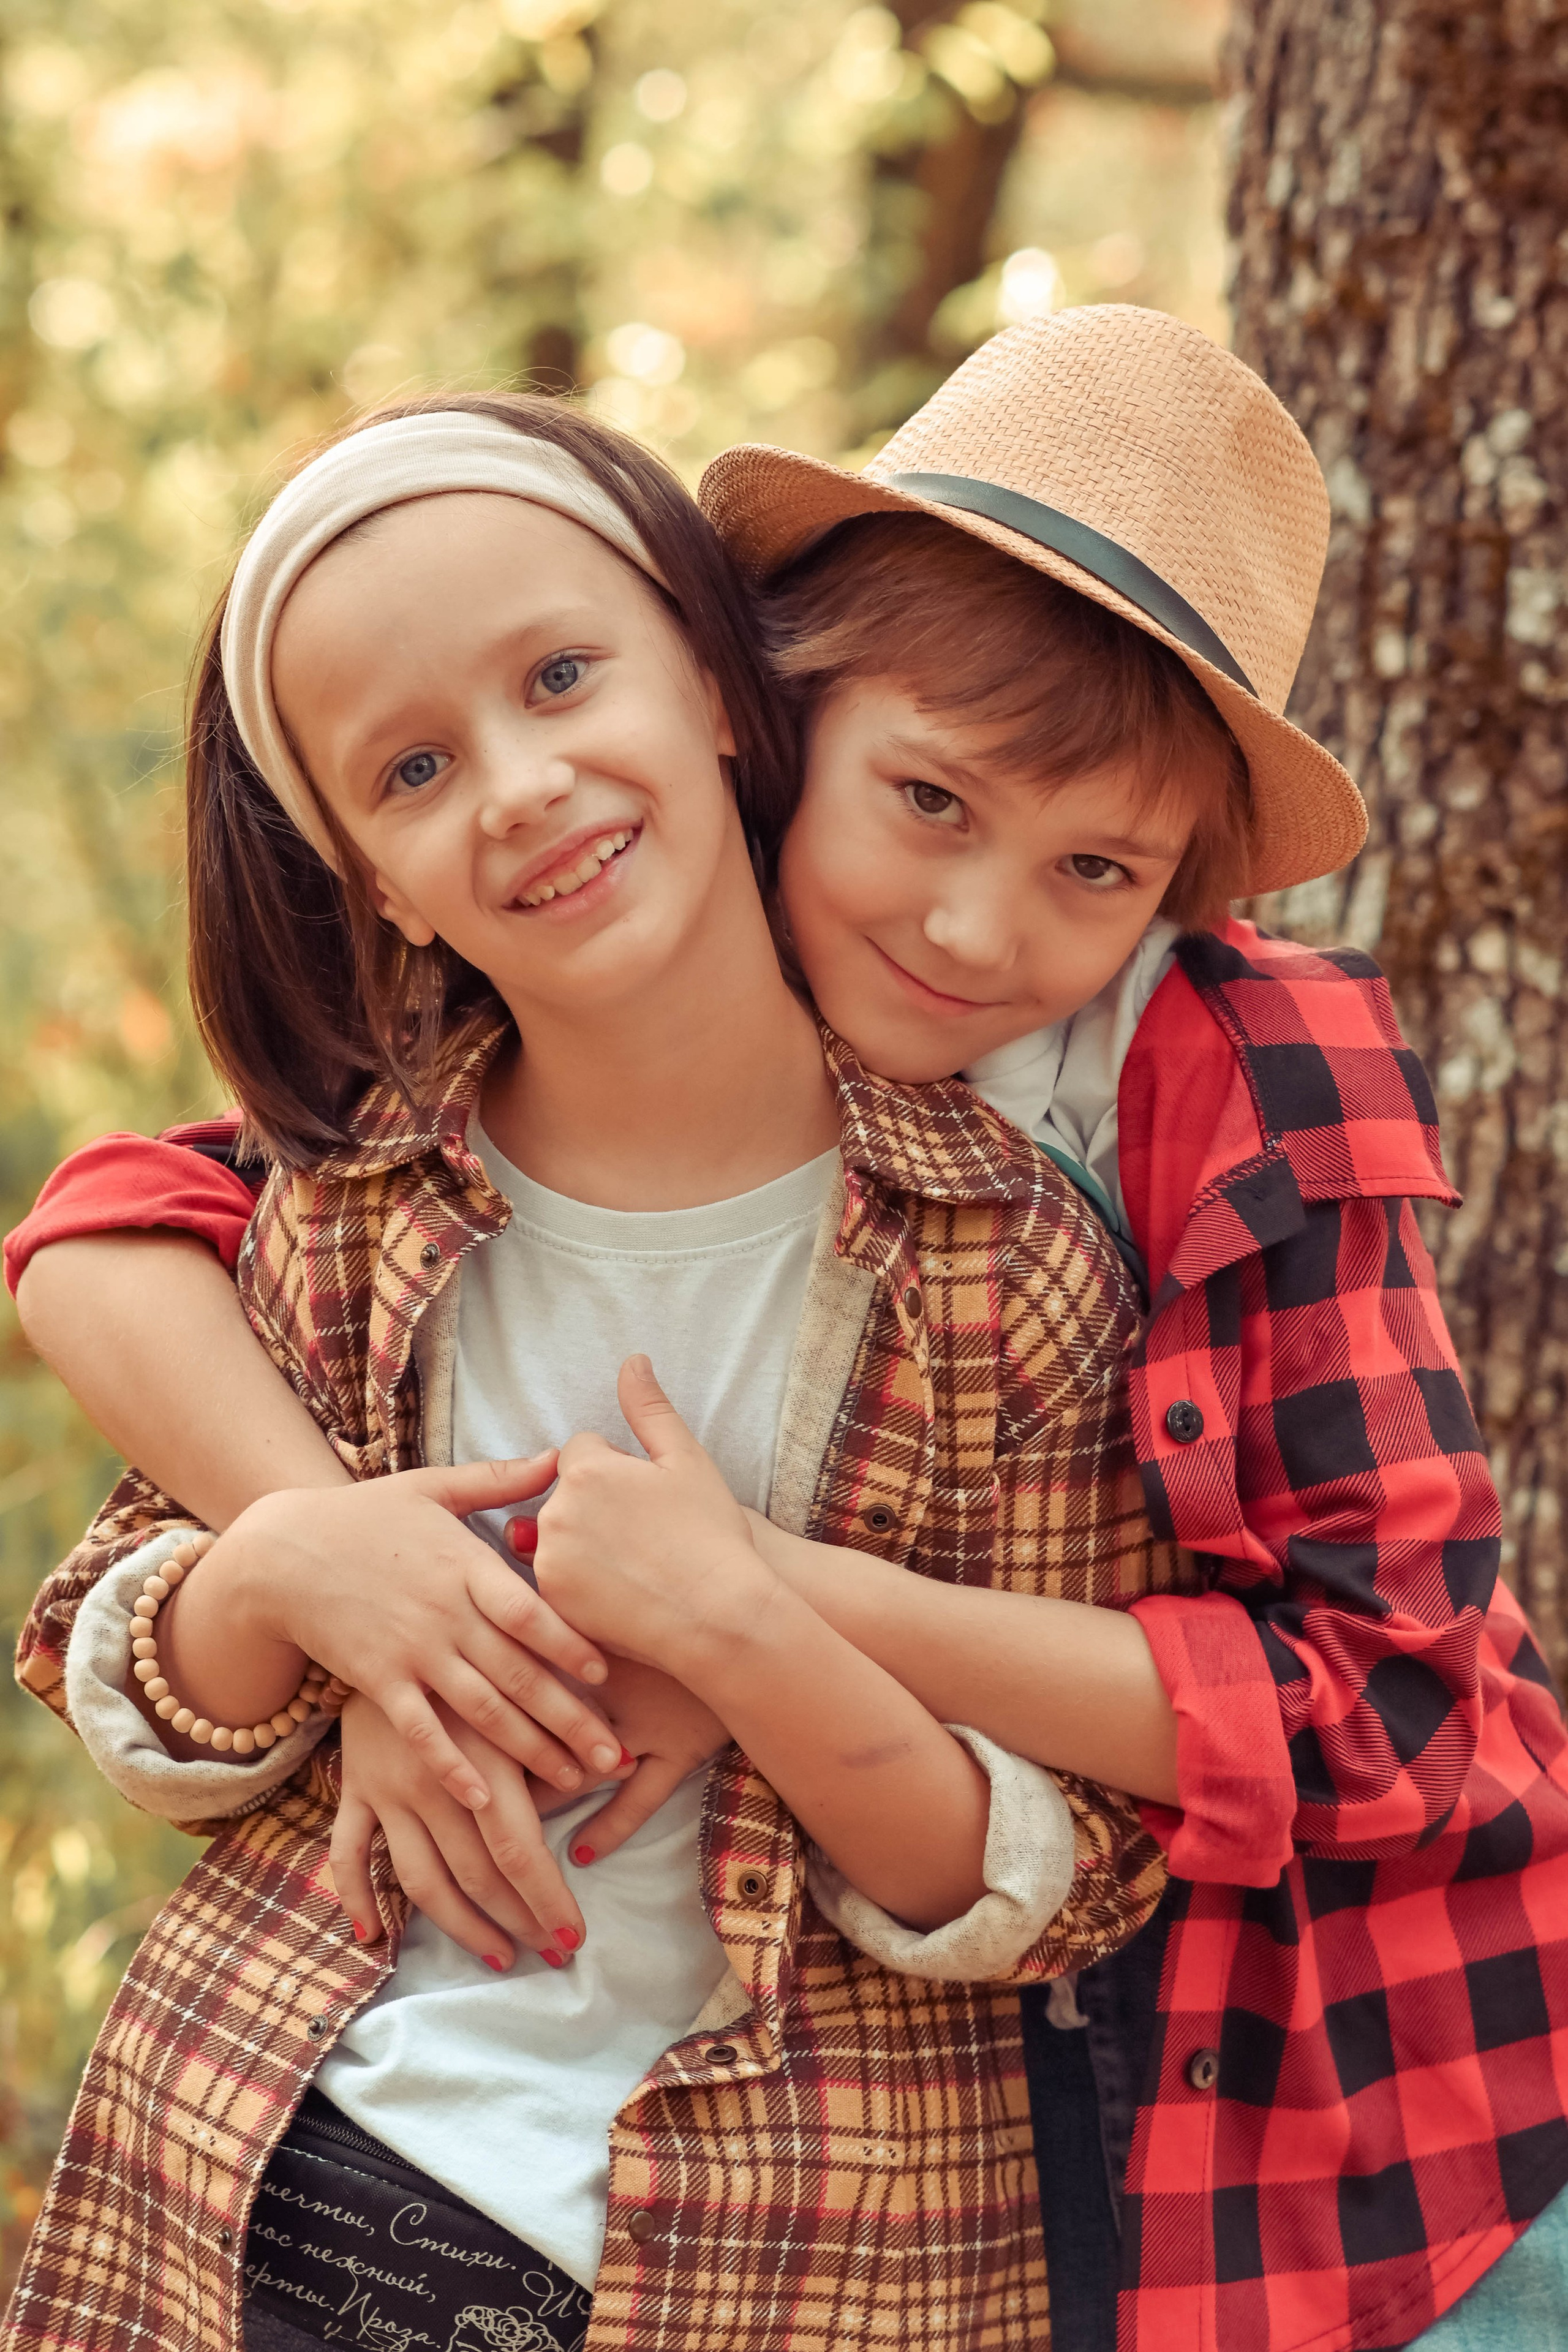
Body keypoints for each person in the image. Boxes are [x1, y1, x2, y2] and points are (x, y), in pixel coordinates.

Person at [13, 308, 1568, 2352]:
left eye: (1092, 870)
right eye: (923, 802)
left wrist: (751, 1609)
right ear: (778, 711)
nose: (975, 932)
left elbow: (1381, 1718)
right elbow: (124, 1223)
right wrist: (339, 1558)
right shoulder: (507, 1030)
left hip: (1357, 2083)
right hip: (407, 2140)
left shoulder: (1199, 1107)